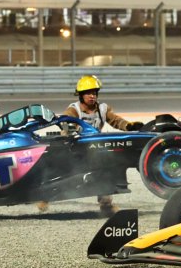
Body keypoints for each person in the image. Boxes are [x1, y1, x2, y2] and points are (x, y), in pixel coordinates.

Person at [54, 74, 144, 215]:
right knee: (60, 171)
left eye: (94, 93)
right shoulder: (74, 109)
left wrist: (129, 126)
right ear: (81, 95)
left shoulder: (103, 108)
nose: (92, 96)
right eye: (88, 93)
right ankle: (44, 198)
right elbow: (65, 122)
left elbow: (116, 121)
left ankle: (106, 205)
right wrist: (72, 128)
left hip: (97, 150)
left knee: (106, 169)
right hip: (75, 149)